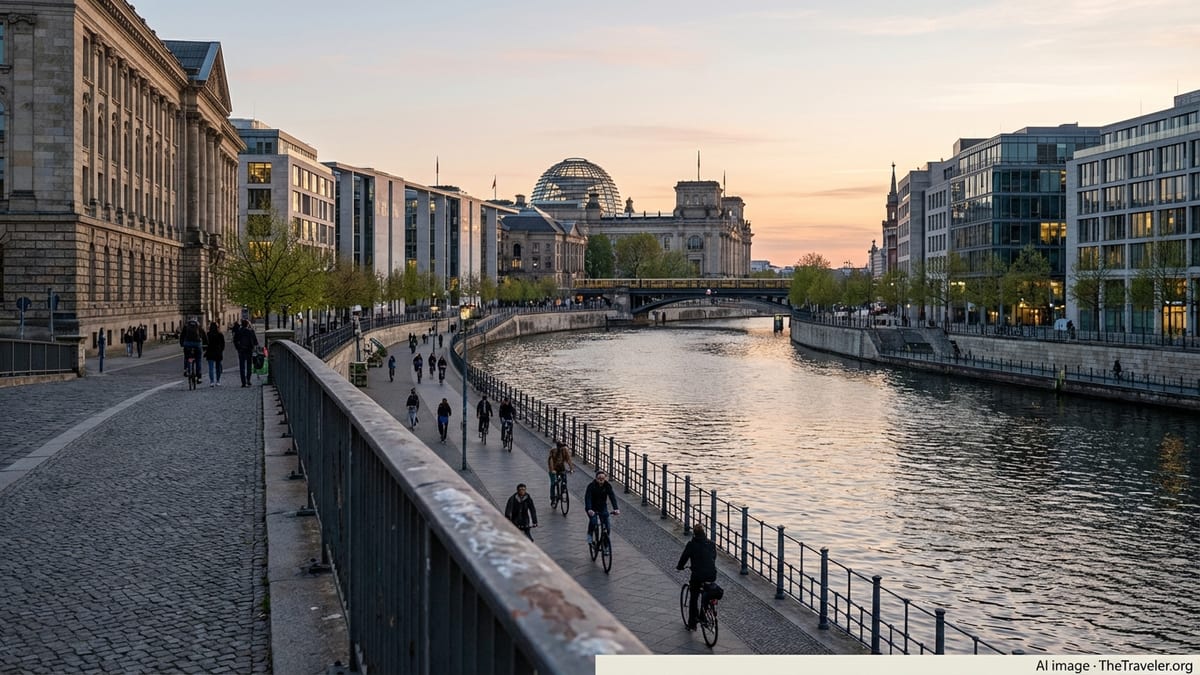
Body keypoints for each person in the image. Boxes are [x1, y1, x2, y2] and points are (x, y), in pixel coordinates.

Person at [677, 523, 718, 630]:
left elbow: (684, 558)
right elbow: (713, 557)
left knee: (694, 597)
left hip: (697, 575)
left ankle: (692, 623)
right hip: (711, 575)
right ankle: (704, 615)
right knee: (706, 593)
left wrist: (680, 567)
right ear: (704, 533)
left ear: (694, 534)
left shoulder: (691, 544)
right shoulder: (711, 544)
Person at [584, 470, 619, 545]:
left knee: (607, 526)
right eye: (599, 478)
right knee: (593, 521)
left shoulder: (607, 486)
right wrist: (589, 509)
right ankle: (590, 534)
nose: (601, 480)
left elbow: (612, 497)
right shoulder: (591, 486)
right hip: (592, 507)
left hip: (602, 507)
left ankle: (606, 546)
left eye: (603, 478)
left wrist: (616, 508)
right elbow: (588, 498)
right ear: (596, 478)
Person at [232, 319, 259, 387]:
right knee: (249, 365)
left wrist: (238, 348)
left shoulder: (238, 331)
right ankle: (248, 379)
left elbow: (235, 340)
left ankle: (243, 382)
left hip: (241, 350)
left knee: (242, 366)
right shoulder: (250, 331)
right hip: (249, 350)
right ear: (247, 324)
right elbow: (255, 342)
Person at [204, 321, 225, 387]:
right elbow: (223, 344)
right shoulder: (220, 334)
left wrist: (205, 350)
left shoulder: (208, 334)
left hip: (210, 352)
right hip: (218, 353)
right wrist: (221, 350)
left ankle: (212, 381)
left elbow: (205, 343)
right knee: (218, 367)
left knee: (211, 368)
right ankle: (218, 381)